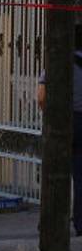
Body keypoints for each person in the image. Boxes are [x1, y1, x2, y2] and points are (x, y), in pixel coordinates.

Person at [35, 25, 82, 237]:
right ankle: (80, 221)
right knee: (80, 175)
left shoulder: (58, 62)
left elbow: (41, 97)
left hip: (63, 120)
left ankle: (52, 221)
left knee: (54, 172)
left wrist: (51, 115)